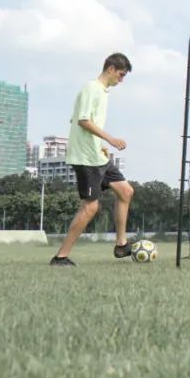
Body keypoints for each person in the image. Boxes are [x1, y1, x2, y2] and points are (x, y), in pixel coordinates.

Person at [50, 53, 135, 266]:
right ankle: (60, 257)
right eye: (121, 75)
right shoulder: (92, 88)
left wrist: (101, 145)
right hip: (86, 159)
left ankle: (121, 245)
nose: (121, 80)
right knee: (90, 207)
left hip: (97, 155)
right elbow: (82, 121)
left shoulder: (103, 93)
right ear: (111, 69)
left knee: (126, 191)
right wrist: (111, 138)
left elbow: (79, 118)